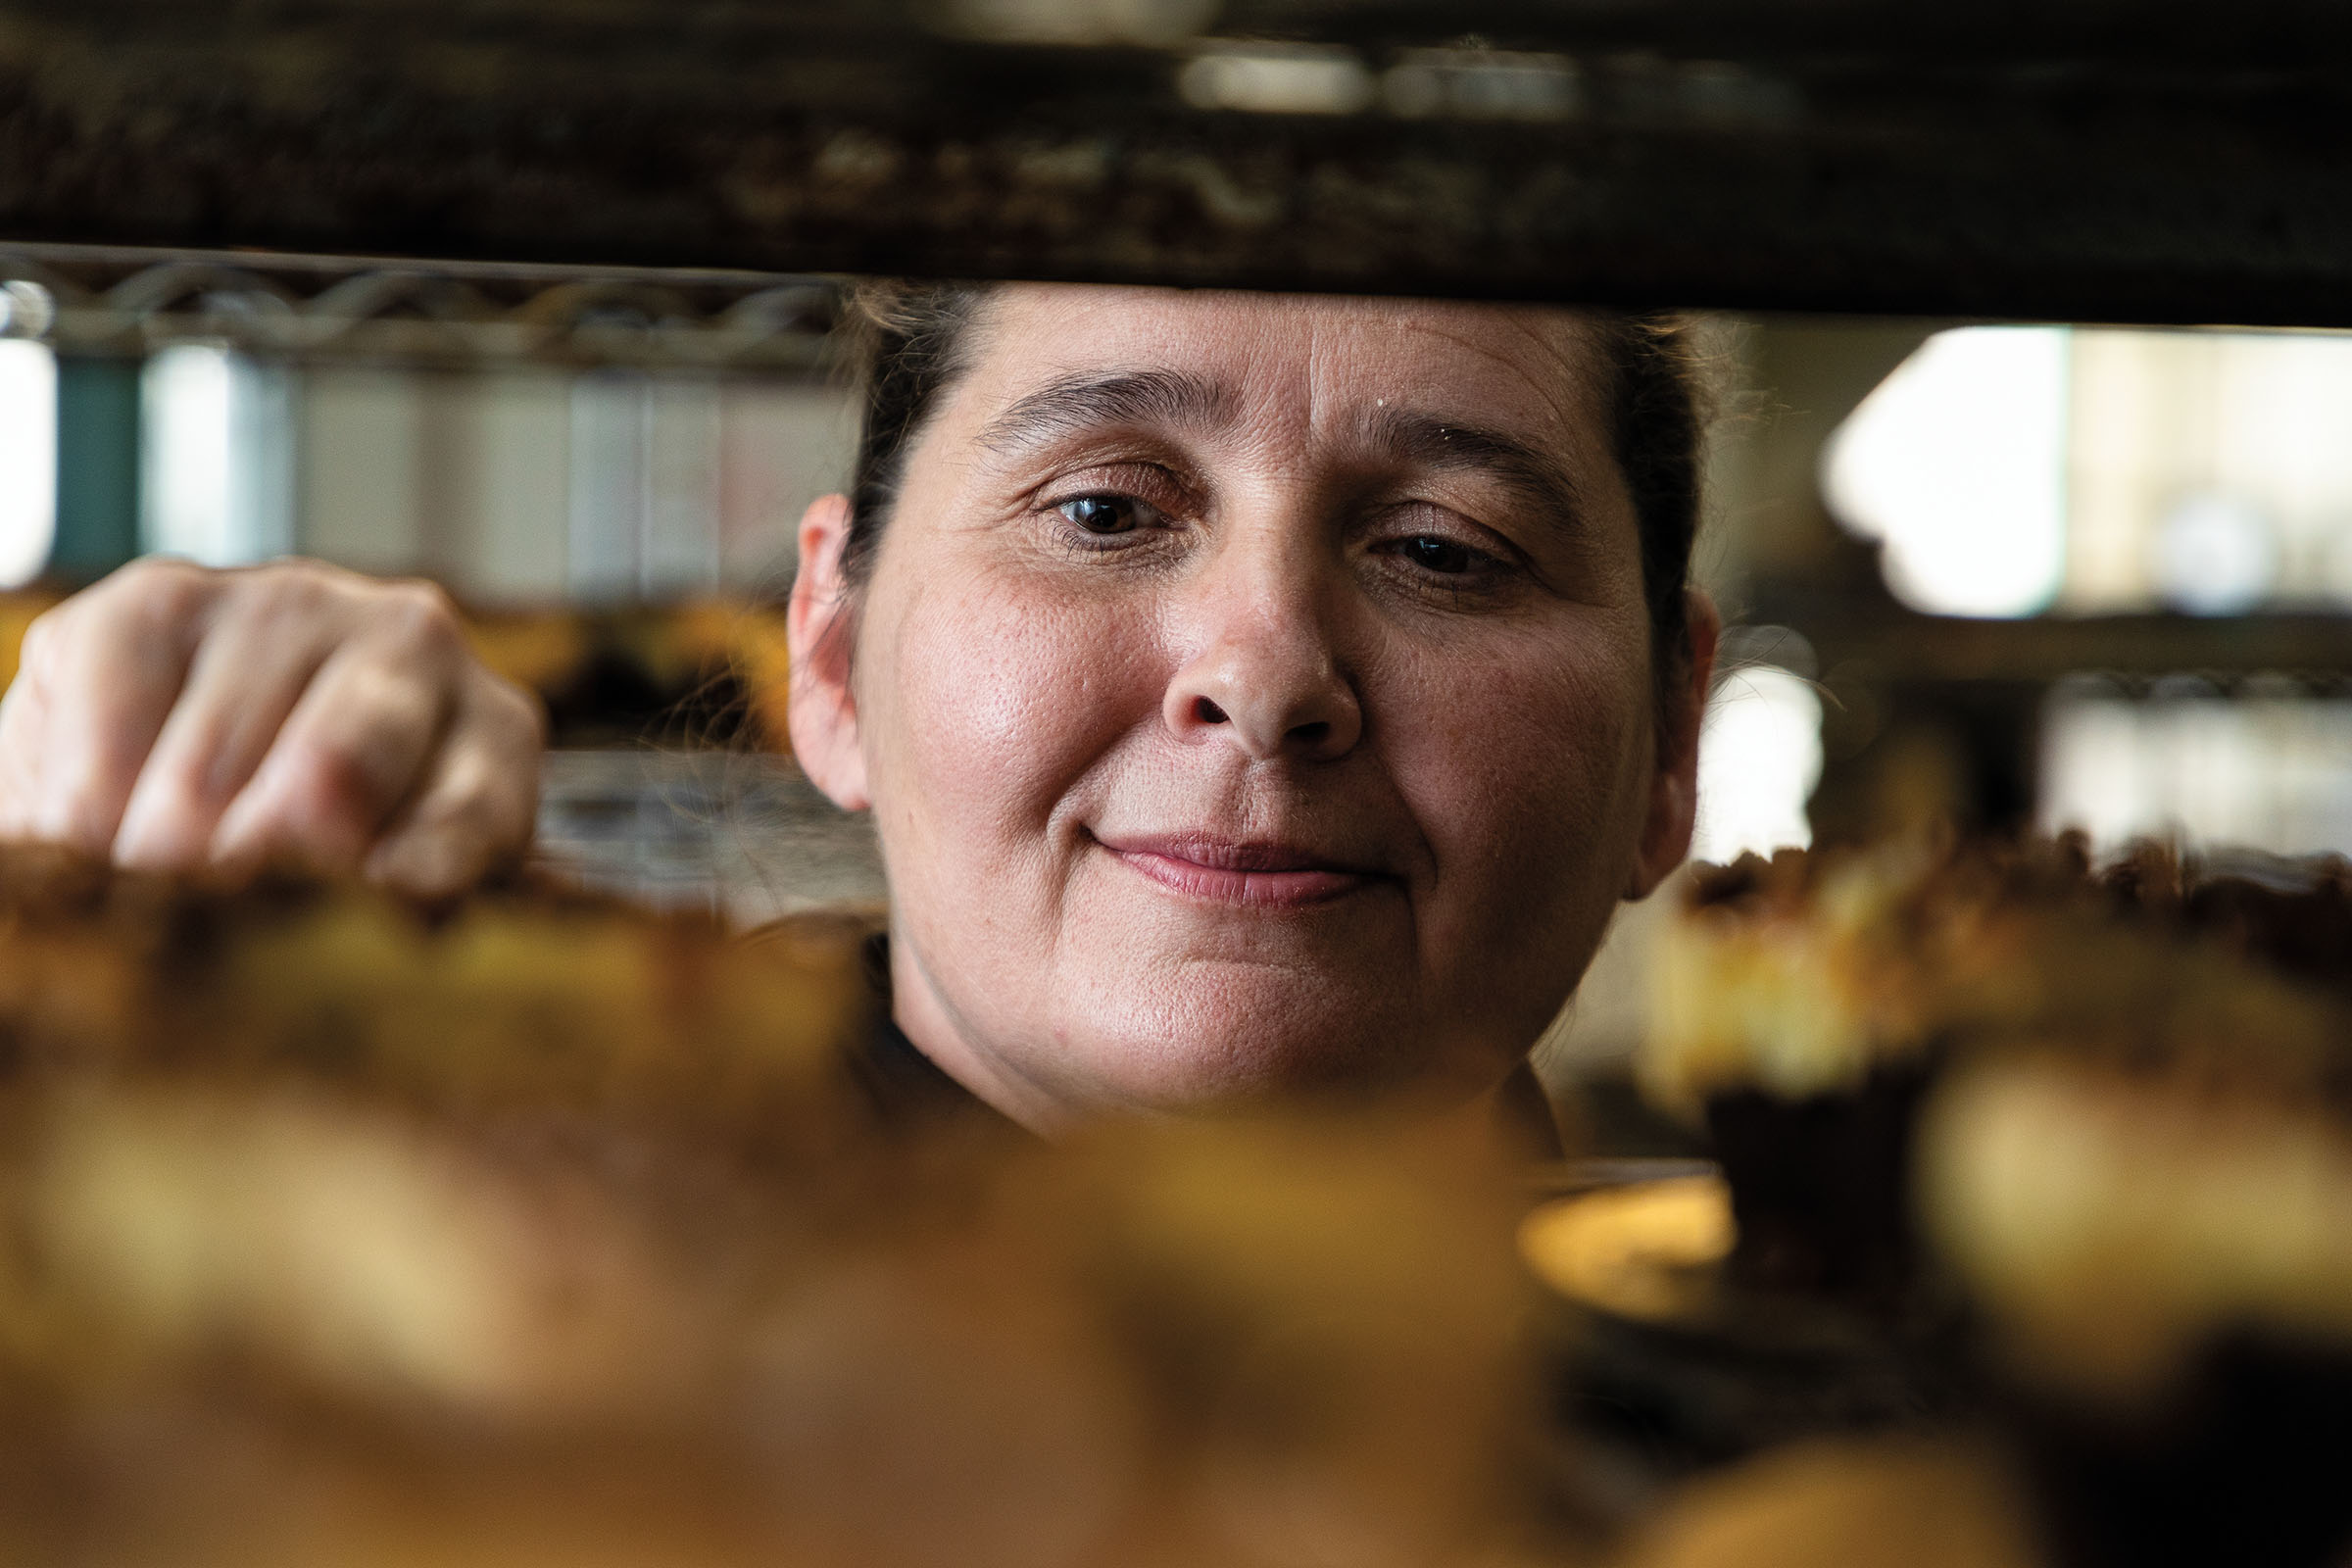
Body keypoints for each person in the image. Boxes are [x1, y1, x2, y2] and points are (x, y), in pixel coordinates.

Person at [0, 283, 1719, 1137]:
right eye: (1105, 513)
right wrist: (165, 868)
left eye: (1444, 548)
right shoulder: (483, 1231)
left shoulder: (1828, 1434)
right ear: (826, 650)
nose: (1264, 672)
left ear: (1673, 741)